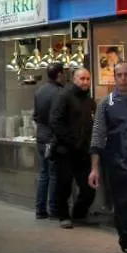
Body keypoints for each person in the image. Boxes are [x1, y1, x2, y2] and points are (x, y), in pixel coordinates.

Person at [89, 61, 127, 253]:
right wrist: (95, 168)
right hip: (115, 163)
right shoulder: (106, 104)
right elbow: (98, 135)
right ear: (114, 77)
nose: (123, 79)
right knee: (120, 208)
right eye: (119, 75)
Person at [49, 67, 97, 229]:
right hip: (65, 151)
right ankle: (63, 215)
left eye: (87, 79)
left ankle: (79, 213)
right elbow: (55, 121)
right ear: (74, 79)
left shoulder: (89, 101)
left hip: (84, 152)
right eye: (82, 78)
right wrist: (69, 140)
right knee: (64, 185)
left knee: (89, 188)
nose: (85, 82)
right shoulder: (64, 97)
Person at [32, 62, 66, 220]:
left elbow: (35, 115)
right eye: (64, 73)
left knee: (43, 173)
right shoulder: (60, 93)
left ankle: (40, 209)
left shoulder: (39, 91)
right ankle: (53, 208)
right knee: (53, 174)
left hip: (41, 136)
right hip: (52, 138)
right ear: (59, 74)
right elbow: (58, 118)